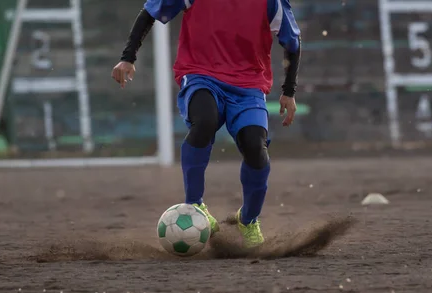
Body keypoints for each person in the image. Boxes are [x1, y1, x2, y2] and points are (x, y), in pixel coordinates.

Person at [113, 0, 301, 248]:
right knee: (205, 122)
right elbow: (150, 12)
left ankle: (248, 220)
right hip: (201, 74)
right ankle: (195, 206)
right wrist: (128, 57)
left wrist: (289, 91)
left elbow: (292, 42)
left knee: (256, 149)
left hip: (249, 86)